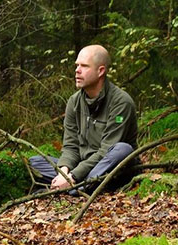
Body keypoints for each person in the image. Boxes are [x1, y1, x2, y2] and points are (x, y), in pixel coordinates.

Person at [29, 44, 137, 192]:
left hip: (110, 168)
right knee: (35, 162)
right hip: (83, 167)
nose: (77, 71)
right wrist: (64, 172)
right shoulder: (74, 102)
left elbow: (107, 150)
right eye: (77, 65)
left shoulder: (121, 102)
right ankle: (78, 186)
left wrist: (73, 176)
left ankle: (75, 187)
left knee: (123, 149)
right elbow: (70, 146)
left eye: (84, 66)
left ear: (101, 71)